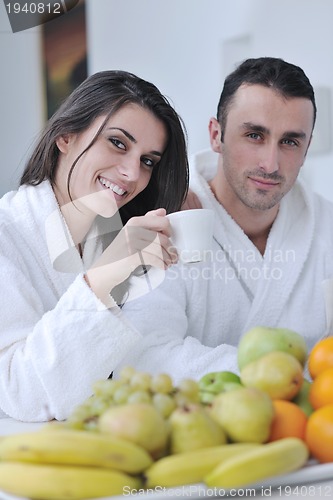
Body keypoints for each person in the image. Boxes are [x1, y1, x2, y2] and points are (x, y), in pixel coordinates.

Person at [117, 57, 333, 382]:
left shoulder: (326, 225)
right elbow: (143, 356)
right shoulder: (167, 216)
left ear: (306, 148)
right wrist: (275, 379)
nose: (270, 163)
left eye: (289, 142)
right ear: (216, 135)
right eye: (255, 135)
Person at [0, 70, 189, 421]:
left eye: (148, 161)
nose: (133, 173)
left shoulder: (115, 242)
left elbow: (144, 362)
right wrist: (104, 278)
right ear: (66, 136)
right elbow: (20, 392)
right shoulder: (6, 235)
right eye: (118, 142)